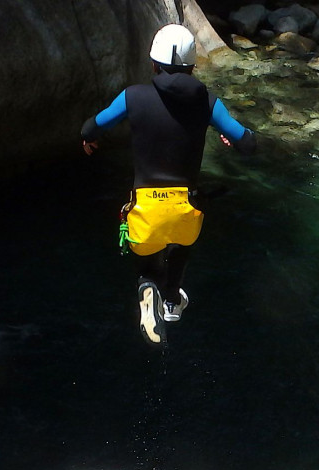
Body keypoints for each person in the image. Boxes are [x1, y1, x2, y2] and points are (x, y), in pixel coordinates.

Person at [80, 23, 257, 345]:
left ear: (153, 64)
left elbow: (93, 126)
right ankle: (172, 300)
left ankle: (148, 288)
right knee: (181, 244)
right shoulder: (208, 102)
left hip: (144, 209)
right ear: (192, 66)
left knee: (147, 263)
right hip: (184, 208)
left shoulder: (133, 96)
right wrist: (231, 137)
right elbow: (247, 143)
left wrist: (89, 140)